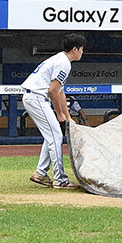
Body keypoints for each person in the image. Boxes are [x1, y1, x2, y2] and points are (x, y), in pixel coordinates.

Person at [22, 32, 87, 189]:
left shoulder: (60, 59)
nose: (82, 52)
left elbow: (60, 92)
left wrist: (67, 116)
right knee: (55, 136)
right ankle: (60, 179)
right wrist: (59, 114)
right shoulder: (64, 62)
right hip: (37, 98)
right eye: (81, 49)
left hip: (35, 97)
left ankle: (40, 173)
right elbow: (52, 91)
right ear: (75, 49)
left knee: (51, 135)